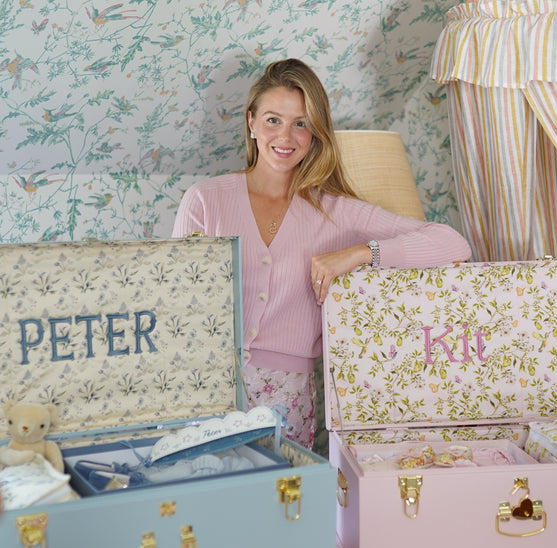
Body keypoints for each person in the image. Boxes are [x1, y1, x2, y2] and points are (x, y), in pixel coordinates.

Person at [172, 58, 471, 449]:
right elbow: (176, 308)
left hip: (286, 398)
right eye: (273, 120)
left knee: (283, 490)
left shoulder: (336, 211)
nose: (286, 136)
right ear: (251, 122)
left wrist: (362, 252)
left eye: (301, 123)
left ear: (315, 131)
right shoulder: (205, 200)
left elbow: (453, 243)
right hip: (204, 386)